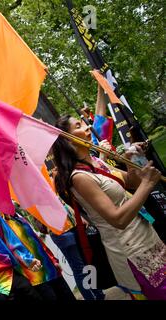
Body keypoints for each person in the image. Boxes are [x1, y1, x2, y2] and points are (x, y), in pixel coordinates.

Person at [52, 115, 166, 300]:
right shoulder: (79, 177)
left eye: (85, 123)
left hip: (147, 238)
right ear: (68, 140)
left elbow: (130, 182)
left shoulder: (98, 162)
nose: (88, 127)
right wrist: (147, 184)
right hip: (131, 250)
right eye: (79, 126)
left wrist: (131, 159)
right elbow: (117, 219)